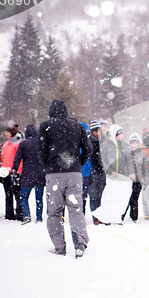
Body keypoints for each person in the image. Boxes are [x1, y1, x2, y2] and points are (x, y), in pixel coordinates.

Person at [37, 99, 93, 258]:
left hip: (54, 175)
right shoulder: (77, 126)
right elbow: (88, 149)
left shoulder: (45, 126)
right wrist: (78, 163)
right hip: (74, 173)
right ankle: (80, 243)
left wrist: (48, 166)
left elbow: (40, 150)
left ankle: (59, 247)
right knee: (76, 209)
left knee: (54, 212)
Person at [12, 124, 46, 224]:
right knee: (39, 198)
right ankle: (39, 217)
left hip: (28, 174)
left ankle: (27, 216)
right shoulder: (42, 143)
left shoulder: (23, 144)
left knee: (24, 197)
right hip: (40, 174)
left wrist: (14, 170)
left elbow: (17, 159)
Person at [1, 124, 23, 221]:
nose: (5, 133)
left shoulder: (18, 143)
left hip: (14, 172)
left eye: (7, 132)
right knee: (8, 194)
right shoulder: (5, 144)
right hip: (5, 173)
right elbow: (4, 159)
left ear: (12, 133)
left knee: (17, 194)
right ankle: (9, 214)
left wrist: (18, 172)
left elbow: (20, 159)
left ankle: (19, 214)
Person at [126, 133, 149, 222]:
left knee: (134, 199)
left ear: (138, 143)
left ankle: (134, 217)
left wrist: (145, 180)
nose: (134, 145)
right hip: (128, 180)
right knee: (127, 198)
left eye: (135, 143)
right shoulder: (127, 153)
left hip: (138, 180)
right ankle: (122, 215)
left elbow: (146, 169)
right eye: (132, 143)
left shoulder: (142, 153)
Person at [88, 119, 105, 224]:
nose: (97, 133)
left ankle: (101, 215)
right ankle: (95, 216)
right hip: (92, 172)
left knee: (102, 195)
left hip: (102, 171)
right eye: (95, 131)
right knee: (93, 195)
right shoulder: (88, 141)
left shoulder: (103, 141)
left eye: (98, 131)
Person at [140, 128, 149, 220]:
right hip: (144, 177)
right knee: (145, 199)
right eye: (145, 136)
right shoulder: (140, 149)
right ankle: (147, 215)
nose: (147, 137)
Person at [80, 122, 93, 216]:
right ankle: (79, 213)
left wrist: (91, 170)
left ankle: (82, 214)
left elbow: (90, 159)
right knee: (78, 196)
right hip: (79, 174)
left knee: (84, 196)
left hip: (87, 174)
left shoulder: (88, 143)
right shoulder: (77, 144)